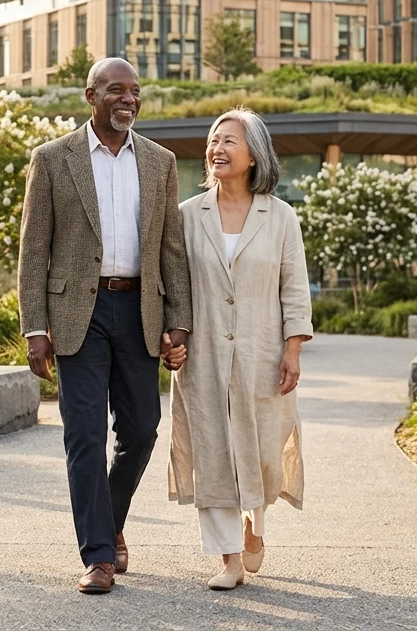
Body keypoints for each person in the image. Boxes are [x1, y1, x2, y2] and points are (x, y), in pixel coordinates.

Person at [18, 57, 192, 595]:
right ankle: (97, 555)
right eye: (116, 90)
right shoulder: (52, 159)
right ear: (90, 95)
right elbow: (34, 249)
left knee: (141, 430)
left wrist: (179, 321)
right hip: (78, 316)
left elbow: (170, 245)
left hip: (140, 309)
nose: (128, 100)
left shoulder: (160, 162)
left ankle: (109, 519)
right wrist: (35, 327)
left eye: (135, 92)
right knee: (85, 434)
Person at [165, 108, 313, 590]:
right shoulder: (187, 215)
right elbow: (173, 286)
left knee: (264, 449)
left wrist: (293, 350)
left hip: (262, 353)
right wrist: (172, 336)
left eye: (230, 140)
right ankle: (227, 557)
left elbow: (294, 289)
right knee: (212, 450)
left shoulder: (281, 217)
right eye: (214, 140)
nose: (218, 148)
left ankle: (255, 524)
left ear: (254, 155)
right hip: (203, 355)